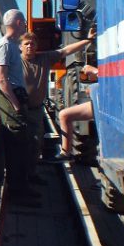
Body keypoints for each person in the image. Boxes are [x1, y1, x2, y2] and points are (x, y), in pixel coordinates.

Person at [21, 26, 96, 163]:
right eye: (26, 43)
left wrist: (88, 40)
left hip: (36, 109)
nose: (30, 46)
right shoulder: (16, 62)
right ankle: (24, 176)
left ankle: (33, 174)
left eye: (32, 43)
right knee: (22, 144)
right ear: (21, 47)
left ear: (37, 46)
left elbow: (66, 50)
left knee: (37, 142)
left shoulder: (44, 58)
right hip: (20, 110)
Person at [0, 9, 32, 192]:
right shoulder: (5, 46)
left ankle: (23, 184)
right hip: (11, 97)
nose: (25, 25)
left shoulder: (10, 45)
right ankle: (18, 191)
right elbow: (1, 78)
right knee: (17, 144)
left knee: (22, 142)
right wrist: (16, 103)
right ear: (18, 23)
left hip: (14, 95)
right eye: (23, 21)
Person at [55, 64, 99, 161]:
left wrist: (95, 71)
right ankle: (65, 153)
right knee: (64, 115)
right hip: (100, 101)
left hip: (110, 103)